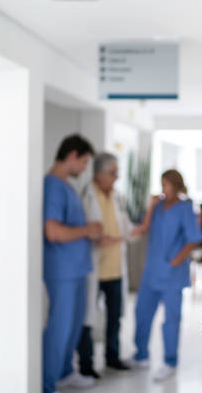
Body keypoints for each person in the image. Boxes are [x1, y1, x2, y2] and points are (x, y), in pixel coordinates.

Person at [76, 152, 146, 378]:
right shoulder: (86, 196)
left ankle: (112, 357)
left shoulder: (118, 197)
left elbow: (125, 229)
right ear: (99, 173)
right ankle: (86, 364)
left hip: (115, 269)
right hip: (94, 269)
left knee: (115, 317)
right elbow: (82, 230)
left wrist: (137, 230)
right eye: (113, 173)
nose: (116, 177)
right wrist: (95, 238)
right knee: (87, 319)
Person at [129, 169, 202, 381]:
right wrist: (151, 206)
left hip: (172, 273)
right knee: (141, 312)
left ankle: (170, 361)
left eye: (166, 185)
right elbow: (142, 228)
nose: (163, 189)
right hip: (151, 271)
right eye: (161, 185)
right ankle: (141, 355)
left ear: (176, 185)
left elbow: (193, 238)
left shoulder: (184, 208)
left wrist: (176, 260)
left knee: (171, 319)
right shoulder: (158, 207)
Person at [43, 134, 101, 393]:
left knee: (74, 324)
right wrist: (87, 230)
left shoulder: (67, 186)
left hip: (77, 268)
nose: (85, 168)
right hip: (62, 270)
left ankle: (65, 371)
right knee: (60, 326)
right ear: (73, 155)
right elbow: (53, 231)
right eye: (85, 161)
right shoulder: (52, 186)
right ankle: (47, 383)